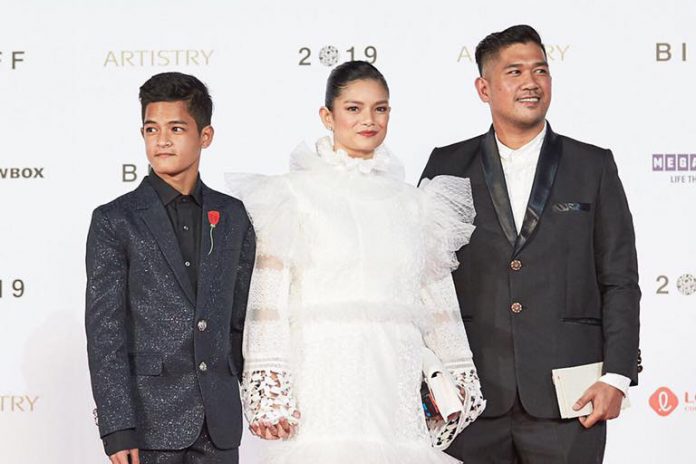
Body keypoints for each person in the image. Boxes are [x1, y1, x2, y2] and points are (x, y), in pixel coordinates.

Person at [227, 61, 485, 464]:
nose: (368, 119)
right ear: (327, 116)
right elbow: (267, 300)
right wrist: (269, 382)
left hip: (396, 384)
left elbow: (438, 301)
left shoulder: (414, 203)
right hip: (323, 380)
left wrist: (457, 370)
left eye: (380, 109)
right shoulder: (291, 194)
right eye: (353, 108)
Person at [420, 25, 641, 463]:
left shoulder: (593, 165)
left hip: (571, 399)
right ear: (484, 88)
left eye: (541, 70)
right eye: (515, 71)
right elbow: (424, 278)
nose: (531, 82)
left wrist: (617, 375)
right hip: (470, 396)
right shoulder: (447, 164)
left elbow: (620, 278)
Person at [85, 72, 255, 464]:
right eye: (151, 129)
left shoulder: (232, 215)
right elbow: (105, 332)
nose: (161, 140)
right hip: (149, 426)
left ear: (205, 136)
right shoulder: (116, 220)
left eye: (176, 128)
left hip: (219, 425)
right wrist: (117, 427)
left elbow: (240, 318)